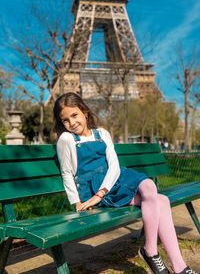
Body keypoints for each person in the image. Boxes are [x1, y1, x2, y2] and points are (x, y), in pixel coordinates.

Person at [54, 92, 197, 274]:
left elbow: (114, 165)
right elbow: (67, 173)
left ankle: (157, 254)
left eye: (74, 115)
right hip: (94, 186)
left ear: (85, 112)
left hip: (114, 179)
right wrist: (77, 202)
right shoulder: (66, 139)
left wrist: (101, 193)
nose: (71, 123)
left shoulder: (102, 133)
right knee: (162, 201)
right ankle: (173, 264)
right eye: (65, 120)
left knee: (150, 187)